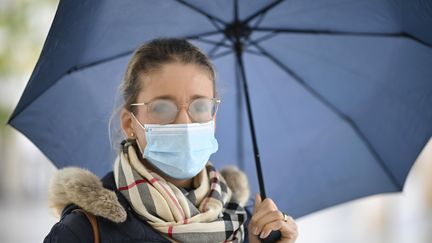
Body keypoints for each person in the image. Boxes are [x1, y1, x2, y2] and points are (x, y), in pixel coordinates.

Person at [44, 38, 298, 243]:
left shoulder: (243, 222)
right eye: (162, 107)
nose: (185, 123)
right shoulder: (83, 231)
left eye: (200, 106)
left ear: (213, 118)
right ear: (129, 124)